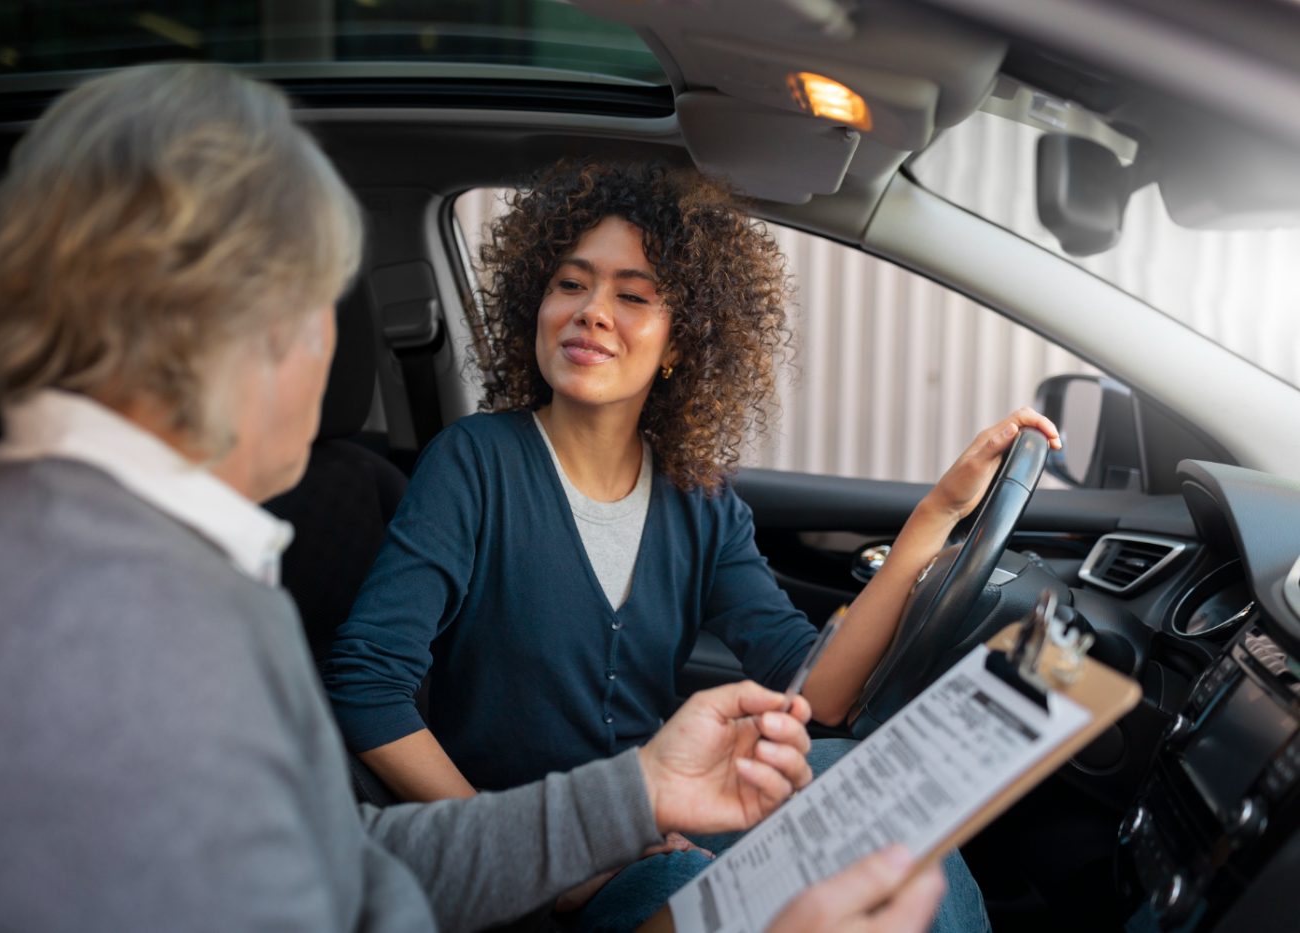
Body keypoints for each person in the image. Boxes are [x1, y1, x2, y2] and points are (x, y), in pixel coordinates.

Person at [0, 63, 941, 932]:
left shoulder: (124, 574)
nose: (331, 350)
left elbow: (344, 859)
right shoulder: (102, 636)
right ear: (252, 321)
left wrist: (627, 797)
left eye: (634, 297)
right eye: (325, 306)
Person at [325, 160, 1061, 927]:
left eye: (633, 295)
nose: (592, 311)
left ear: (681, 341)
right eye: (570, 284)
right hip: (533, 866)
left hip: (663, 821)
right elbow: (367, 683)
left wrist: (939, 512)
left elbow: (816, 694)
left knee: (890, 794)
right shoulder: (475, 462)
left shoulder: (698, 501)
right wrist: (542, 860)